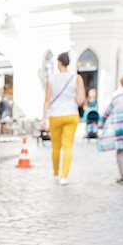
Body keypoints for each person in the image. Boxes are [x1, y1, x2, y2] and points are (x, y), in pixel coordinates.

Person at [41, 52, 86, 185]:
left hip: (55, 115)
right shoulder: (76, 78)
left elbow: (47, 99)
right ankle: (64, 177)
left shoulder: (51, 78)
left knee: (56, 147)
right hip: (71, 114)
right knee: (68, 146)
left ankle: (55, 173)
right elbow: (81, 99)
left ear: (59, 63)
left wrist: (44, 118)